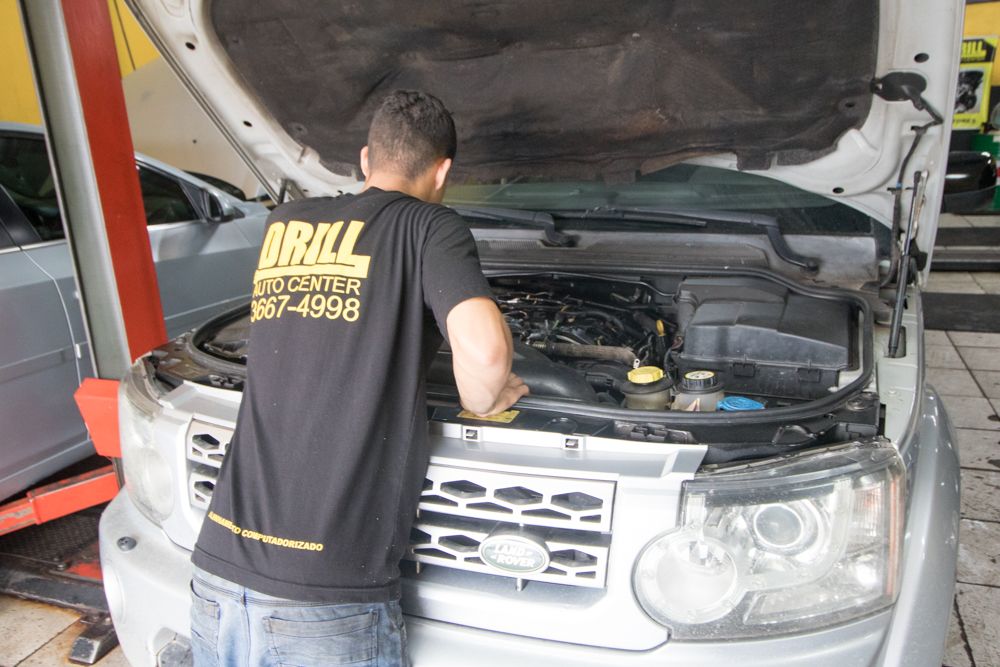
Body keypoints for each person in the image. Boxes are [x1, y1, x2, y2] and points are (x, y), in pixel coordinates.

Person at [188, 90, 528, 666]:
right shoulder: (430, 226)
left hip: (217, 572)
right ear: (442, 171)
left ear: (366, 159)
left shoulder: (284, 223)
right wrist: (485, 400)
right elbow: (487, 355)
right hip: (326, 599)